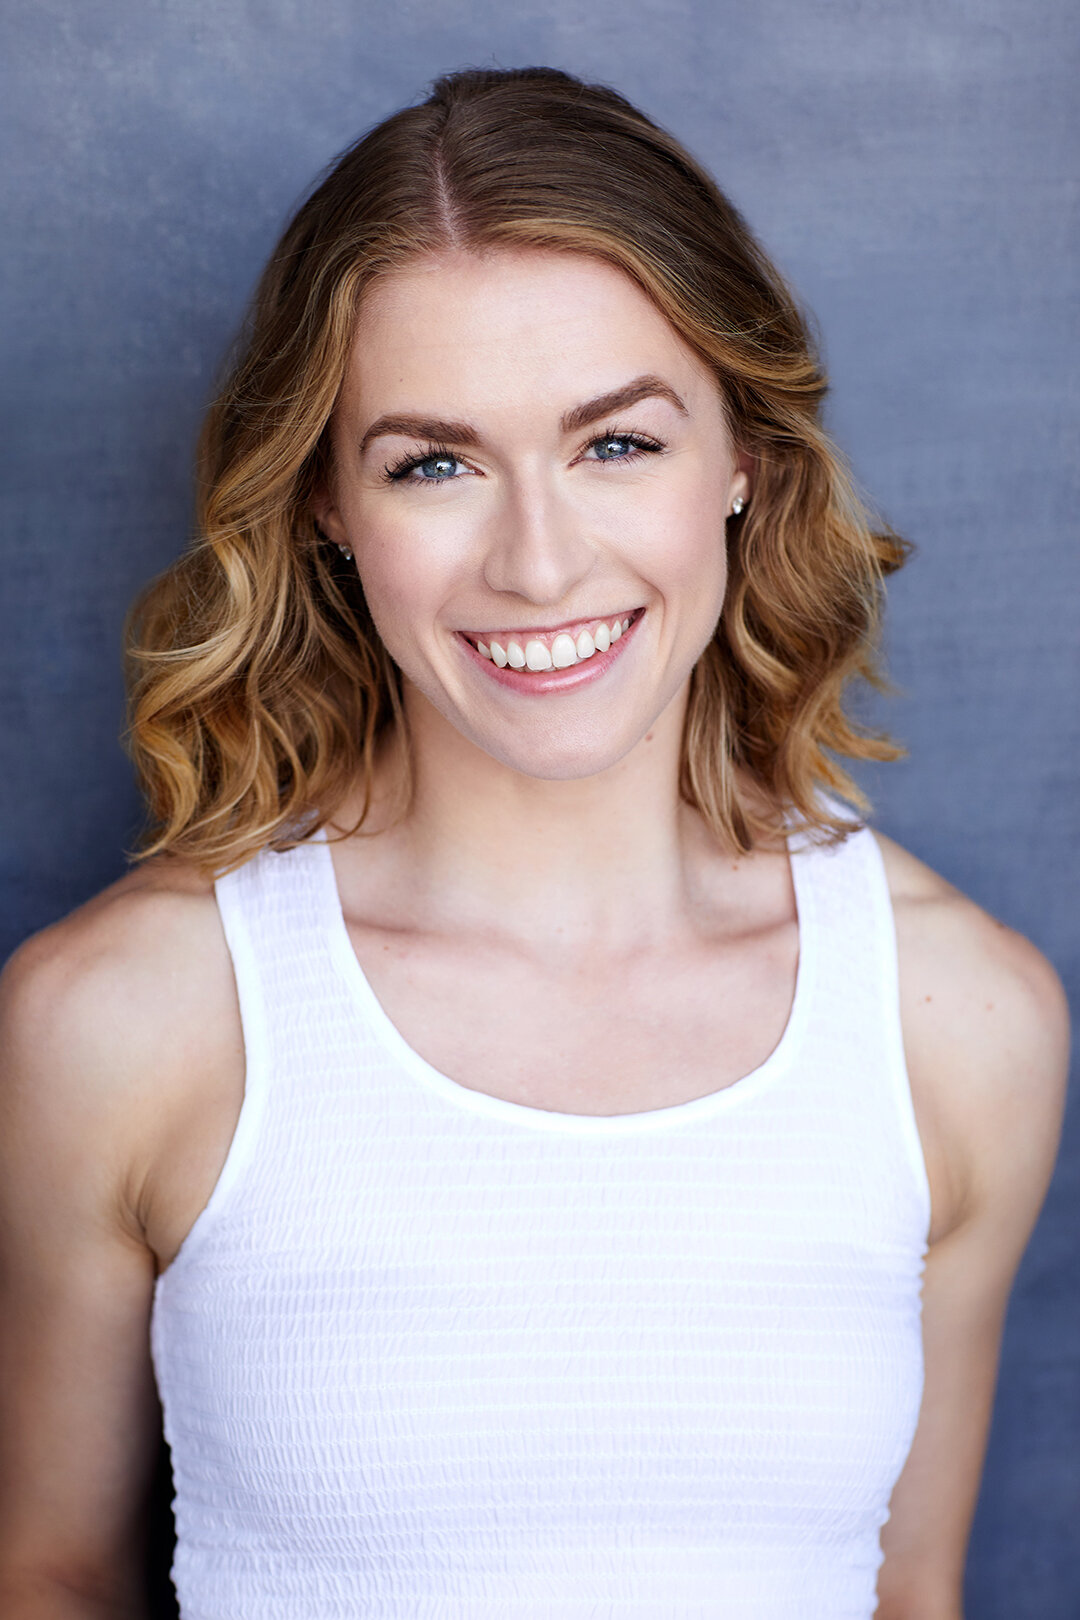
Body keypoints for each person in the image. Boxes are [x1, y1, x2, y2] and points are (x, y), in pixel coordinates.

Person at [0, 65, 1068, 1620]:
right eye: (433, 464)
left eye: (616, 444)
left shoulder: (960, 1023)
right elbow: (48, 1576)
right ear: (325, 505)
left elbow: (911, 1596)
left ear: (743, 456)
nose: (542, 563)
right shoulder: (126, 1020)